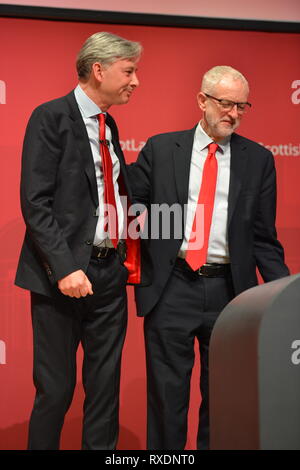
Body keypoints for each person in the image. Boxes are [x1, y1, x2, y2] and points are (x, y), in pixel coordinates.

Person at [128, 65, 289, 450]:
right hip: (171, 289)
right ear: (202, 101)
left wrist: (286, 297)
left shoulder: (259, 160)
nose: (233, 113)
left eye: (241, 106)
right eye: (225, 103)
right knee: (167, 400)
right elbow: (131, 208)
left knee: (223, 400)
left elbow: (265, 238)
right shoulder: (162, 149)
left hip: (232, 295)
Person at [15, 31, 150, 450]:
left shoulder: (109, 125)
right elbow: (36, 203)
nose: (136, 81)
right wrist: (66, 268)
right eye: (129, 71)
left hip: (109, 276)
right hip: (63, 277)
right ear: (99, 69)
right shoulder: (50, 117)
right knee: (55, 392)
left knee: (105, 393)